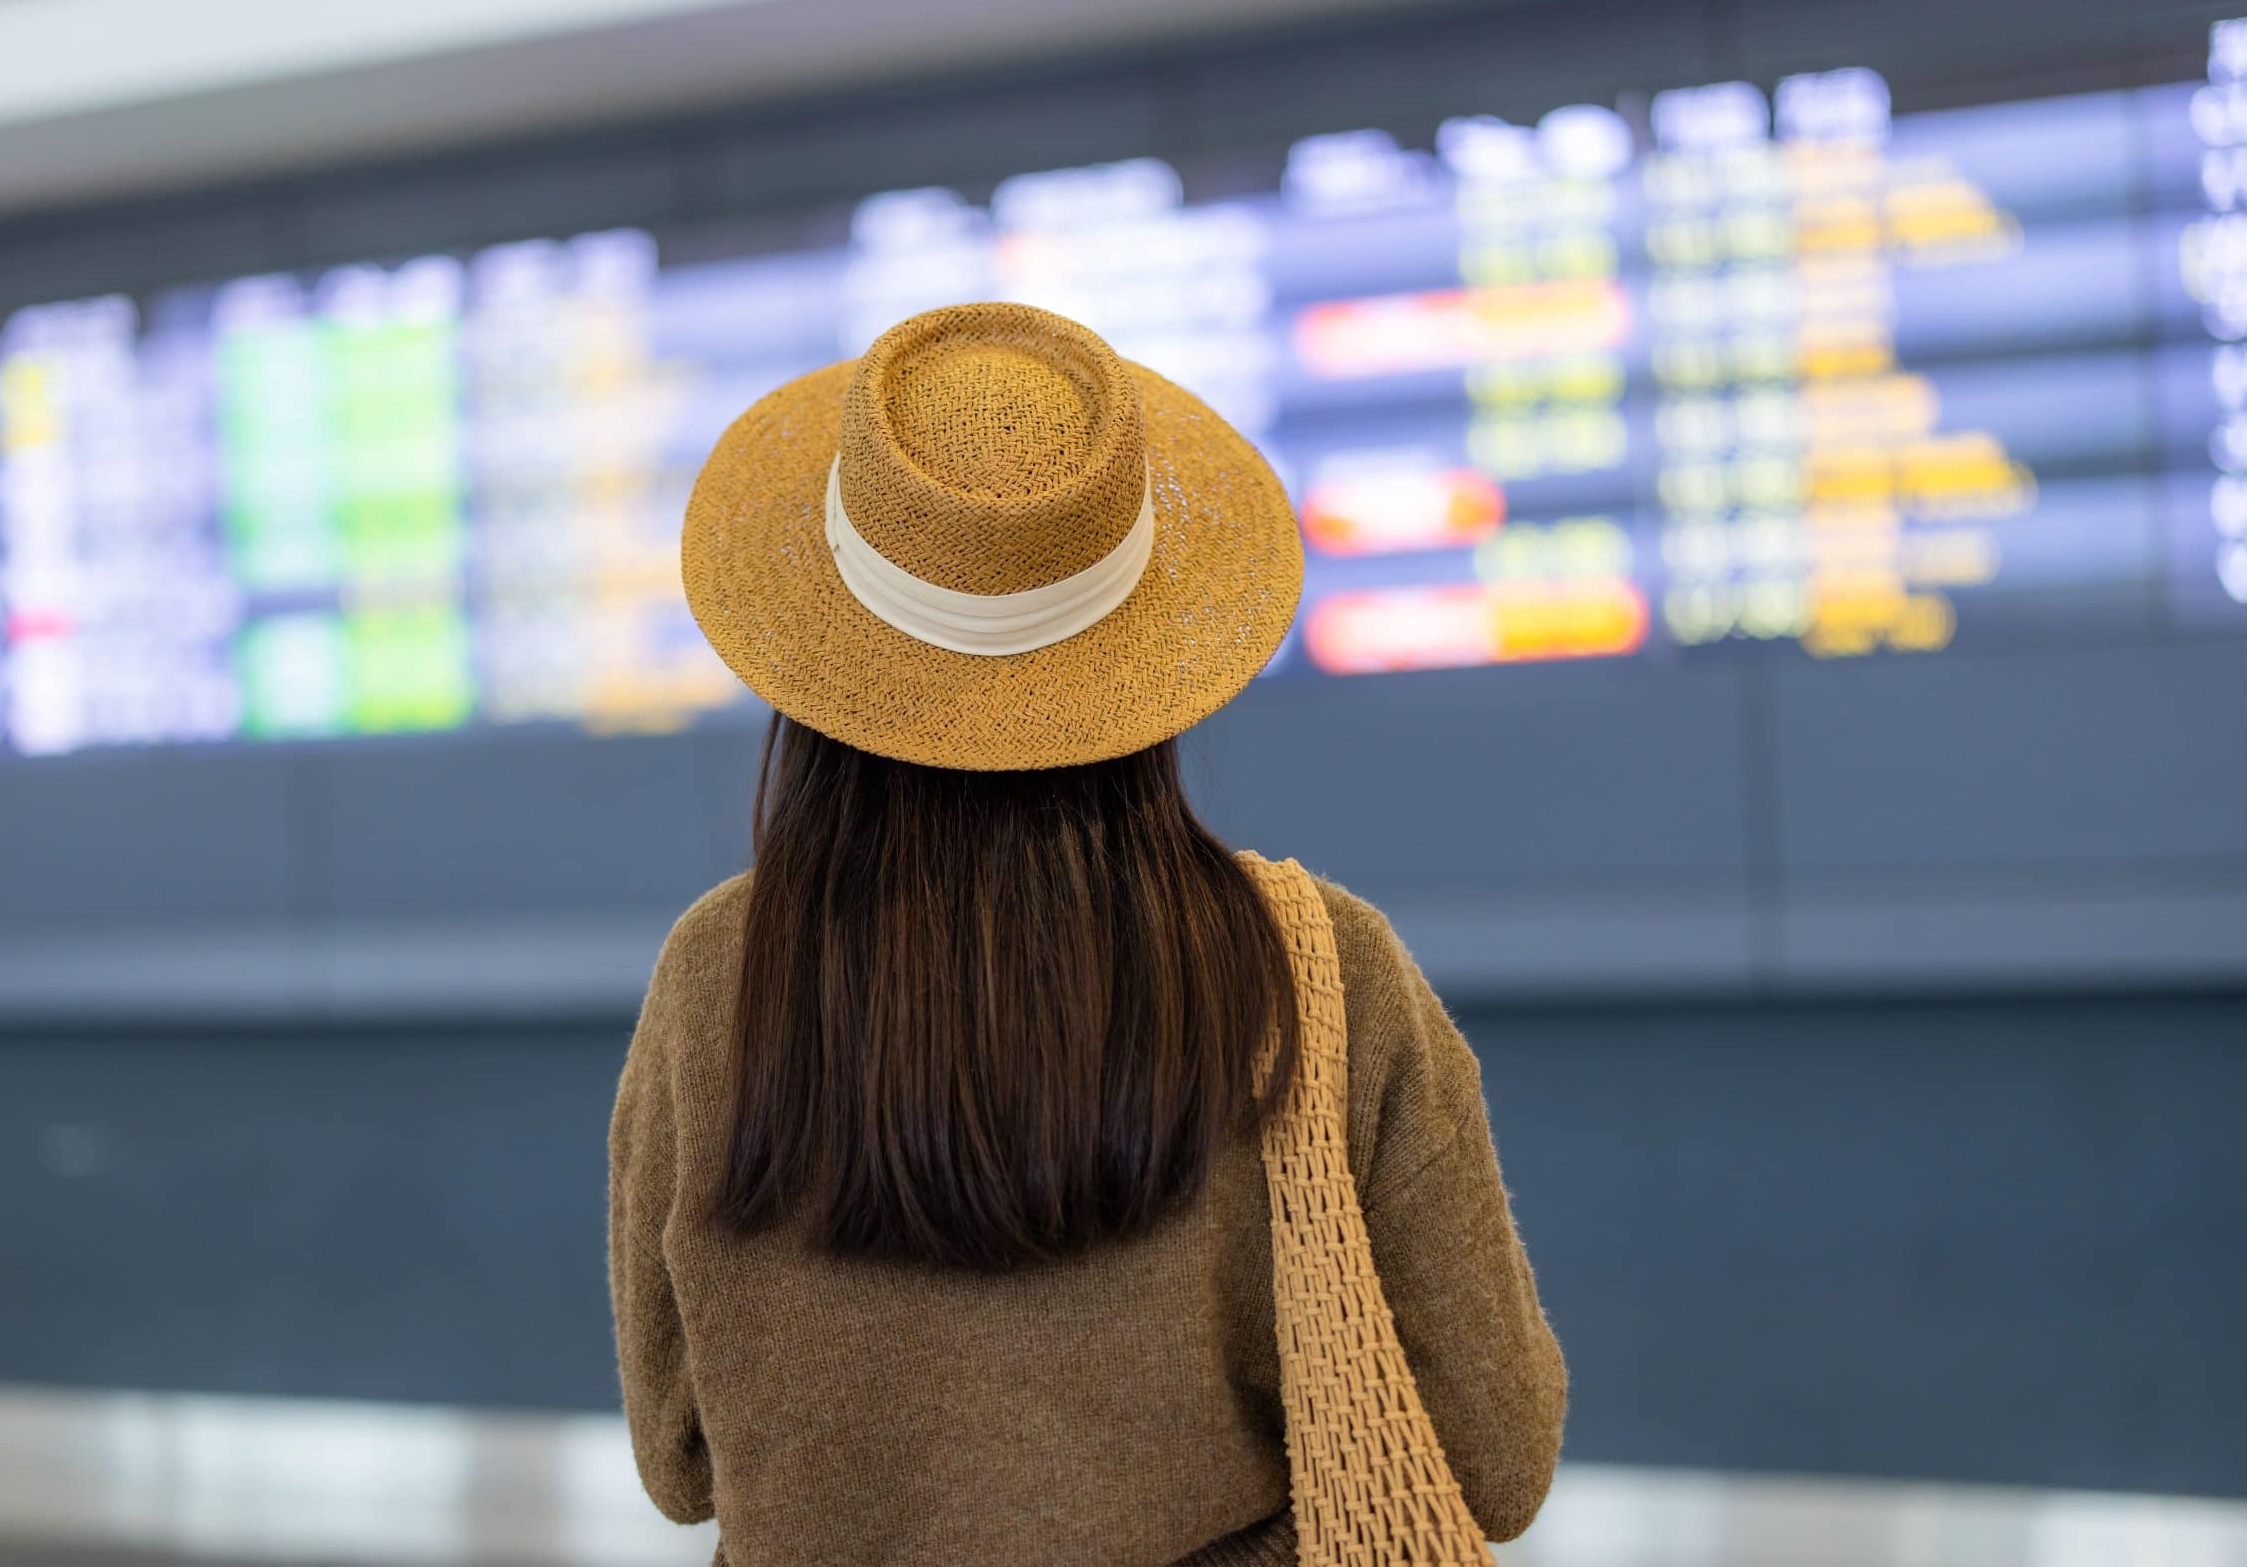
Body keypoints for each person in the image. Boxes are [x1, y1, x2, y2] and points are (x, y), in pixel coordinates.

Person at [611, 302, 1565, 1564]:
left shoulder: (722, 976)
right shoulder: (1317, 967)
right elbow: (1492, 1456)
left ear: (821, 655)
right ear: (1145, 643)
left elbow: (679, 1460)